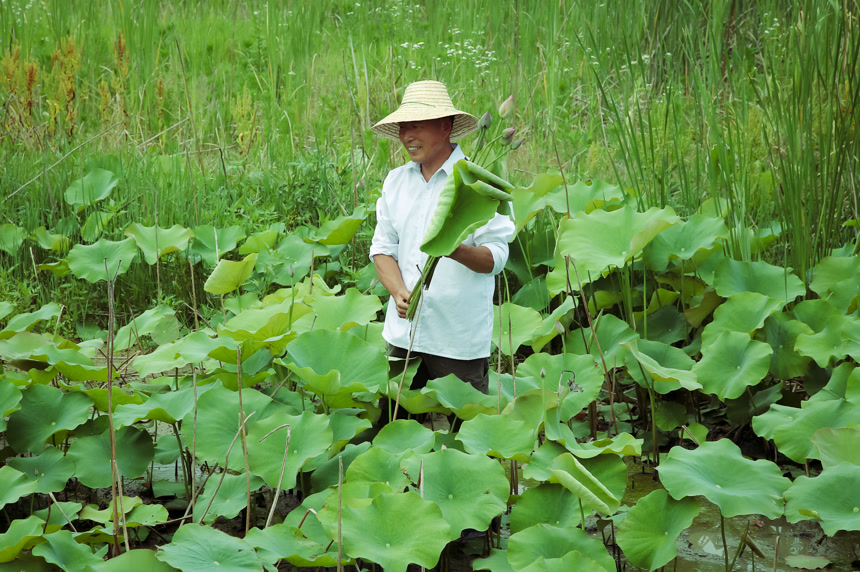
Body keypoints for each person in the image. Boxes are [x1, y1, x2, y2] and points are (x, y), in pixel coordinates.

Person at [369, 80, 515, 395]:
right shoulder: (395, 182)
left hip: (458, 340)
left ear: (446, 127)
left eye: (417, 125)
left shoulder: (478, 182)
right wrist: (398, 292)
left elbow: (497, 258)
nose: (407, 135)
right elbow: (382, 249)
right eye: (403, 127)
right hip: (403, 335)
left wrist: (453, 248)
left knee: (467, 435)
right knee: (396, 429)